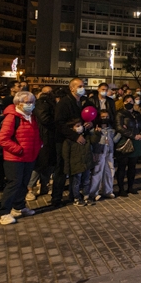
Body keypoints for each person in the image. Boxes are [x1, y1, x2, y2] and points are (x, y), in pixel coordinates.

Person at [0, 91, 41, 225]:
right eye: (27, 102)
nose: (30, 105)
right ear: (18, 103)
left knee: (23, 183)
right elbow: (3, 139)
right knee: (13, 184)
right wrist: (18, 149)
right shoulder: (12, 117)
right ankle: (3, 213)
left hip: (29, 156)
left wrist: (38, 147)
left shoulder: (32, 117)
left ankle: (19, 207)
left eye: (32, 102)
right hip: (14, 158)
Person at [51, 78, 87, 208]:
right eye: (79, 86)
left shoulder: (82, 102)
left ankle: (74, 194)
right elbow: (59, 123)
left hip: (76, 140)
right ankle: (56, 198)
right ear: (72, 88)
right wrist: (74, 135)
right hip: (64, 140)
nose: (82, 88)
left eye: (83, 86)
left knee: (75, 168)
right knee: (61, 169)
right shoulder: (65, 103)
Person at [115, 94, 141, 194]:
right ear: (123, 102)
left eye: (131, 101)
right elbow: (119, 128)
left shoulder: (137, 114)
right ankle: (121, 189)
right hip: (125, 141)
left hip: (136, 142)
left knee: (132, 167)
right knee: (122, 166)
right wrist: (133, 135)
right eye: (127, 101)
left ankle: (130, 187)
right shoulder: (120, 114)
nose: (129, 103)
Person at [29, 86, 57, 197]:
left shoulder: (50, 103)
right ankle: (30, 188)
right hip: (43, 137)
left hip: (49, 137)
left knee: (49, 163)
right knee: (40, 164)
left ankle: (44, 185)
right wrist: (57, 121)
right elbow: (45, 119)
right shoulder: (43, 103)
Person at [63, 118, 94, 206]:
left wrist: (95, 132)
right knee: (76, 182)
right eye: (77, 126)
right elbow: (66, 155)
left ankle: (86, 196)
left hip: (86, 164)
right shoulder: (68, 141)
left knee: (86, 181)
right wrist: (67, 168)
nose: (80, 127)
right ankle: (76, 198)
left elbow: (94, 140)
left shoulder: (86, 137)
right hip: (75, 166)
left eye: (81, 125)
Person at [89, 109, 116, 199]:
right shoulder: (95, 129)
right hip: (99, 152)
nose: (105, 118)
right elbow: (93, 141)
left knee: (109, 171)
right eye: (103, 117)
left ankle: (108, 191)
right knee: (97, 171)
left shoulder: (111, 129)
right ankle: (94, 192)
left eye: (107, 117)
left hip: (109, 151)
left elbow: (114, 139)